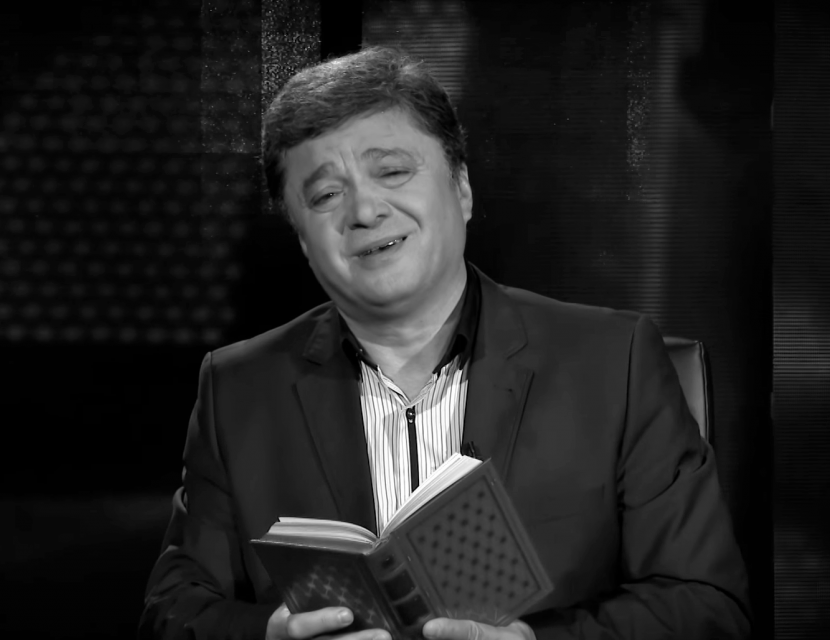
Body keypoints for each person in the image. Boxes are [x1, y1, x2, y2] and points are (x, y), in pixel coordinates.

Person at [139, 45, 751, 640]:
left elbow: (705, 606)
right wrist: (269, 635)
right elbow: (173, 610)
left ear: (461, 187)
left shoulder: (613, 364)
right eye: (325, 196)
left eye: (392, 172)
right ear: (302, 238)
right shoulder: (238, 390)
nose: (364, 211)